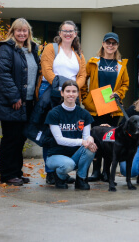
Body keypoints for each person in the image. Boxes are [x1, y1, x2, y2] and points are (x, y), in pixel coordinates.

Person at [0, 18, 40, 186]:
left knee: (20, 139)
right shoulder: (7, 48)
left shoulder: (32, 49)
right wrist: (14, 96)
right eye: (18, 30)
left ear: (28, 32)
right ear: (13, 31)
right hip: (13, 102)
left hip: (29, 102)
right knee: (11, 139)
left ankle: (16, 172)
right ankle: (7, 174)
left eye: (25, 31)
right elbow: (2, 73)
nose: (22, 33)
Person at [39, 20, 87, 185]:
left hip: (71, 96)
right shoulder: (51, 48)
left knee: (70, 132)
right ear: (60, 33)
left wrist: (72, 90)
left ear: (75, 34)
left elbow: (82, 75)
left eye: (71, 31)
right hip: (52, 94)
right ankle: (50, 172)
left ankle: (62, 171)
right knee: (51, 134)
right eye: (65, 31)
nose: (68, 34)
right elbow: (46, 69)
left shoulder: (79, 54)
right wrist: (61, 89)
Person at [81, 32, 129, 182]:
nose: (110, 45)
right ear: (103, 44)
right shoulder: (94, 62)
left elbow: (125, 84)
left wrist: (118, 94)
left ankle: (106, 172)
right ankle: (95, 171)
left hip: (112, 109)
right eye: (108, 42)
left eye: (113, 43)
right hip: (94, 109)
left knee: (109, 141)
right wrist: (85, 99)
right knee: (95, 140)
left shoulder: (121, 65)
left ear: (117, 46)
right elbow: (83, 80)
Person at [45, 80, 96, 190]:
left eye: (74, 91)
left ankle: (81, 179)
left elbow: (86, 136)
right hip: (55, 155)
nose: (71, 94)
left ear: (78, 94)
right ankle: (59, 176)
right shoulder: (54, 113)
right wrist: (82, 142)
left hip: (75, 154)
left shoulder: (84, 114)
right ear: (62, 93)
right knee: (69, 164)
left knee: (90, 149)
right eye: (68, 91)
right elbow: (59, 140)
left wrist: (90, 140)